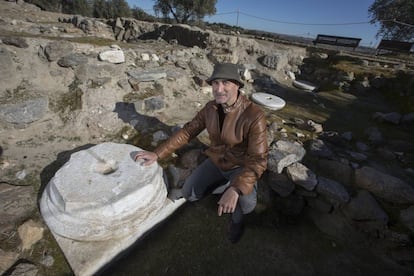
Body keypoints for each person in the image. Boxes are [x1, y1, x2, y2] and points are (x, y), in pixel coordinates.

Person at [135, 63, 268, 243]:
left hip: (240, 167)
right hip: (216, 161)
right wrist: (157, 154)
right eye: (215, 83)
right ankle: (224, 187)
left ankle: (237, 220)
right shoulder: (210, 109)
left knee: (247, 204)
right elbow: (188, 132)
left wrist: (236, 188)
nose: (219, 89)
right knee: (189, 193)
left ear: (237, 85)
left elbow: (258, 159)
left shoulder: (254, 115)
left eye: (225, 83)